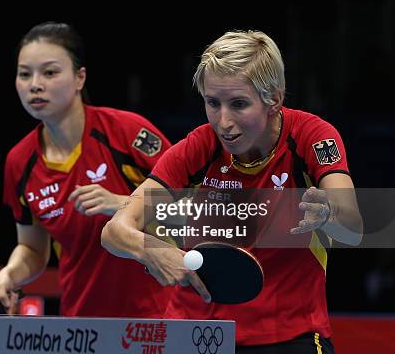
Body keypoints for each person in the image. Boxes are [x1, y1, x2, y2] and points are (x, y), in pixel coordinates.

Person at [101, 30, 363, 352]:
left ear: (274, 100)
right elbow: (114, 231)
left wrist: (330, 213)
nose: (223, 121)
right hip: (195, 331)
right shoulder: (199, 146)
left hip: (287, 333)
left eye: (238, 104)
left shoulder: (311, 137)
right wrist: (152, 249)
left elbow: (354, 229)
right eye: (213, 103)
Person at [0, 22, 173, 317]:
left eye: (50, 72)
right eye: (25, 74)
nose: (35, 84)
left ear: (80, 78)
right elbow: (34, 250)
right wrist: (9, 275)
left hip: (161, 314)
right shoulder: (20, 161)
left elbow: (197, 206)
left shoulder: (126, 133)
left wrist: (122, 205)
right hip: (83, 320)